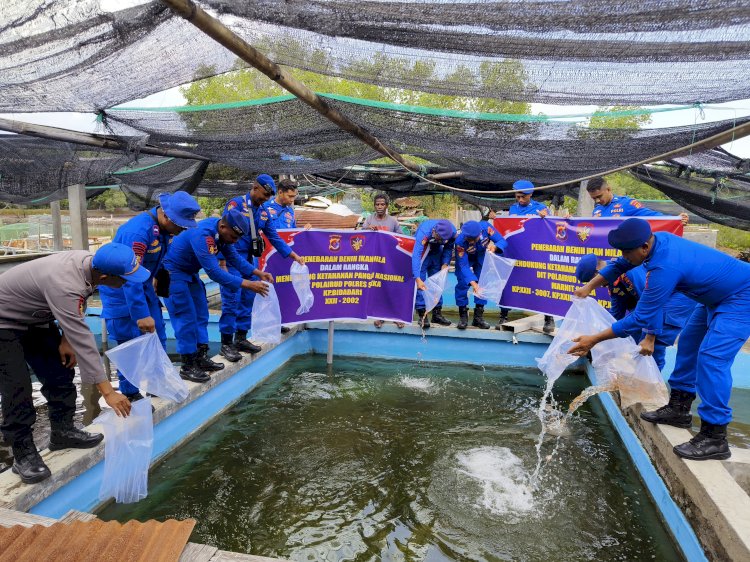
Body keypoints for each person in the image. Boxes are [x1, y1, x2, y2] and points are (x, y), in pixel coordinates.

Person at [569, 218, 750, 461]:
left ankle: (714, 436)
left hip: (740, 297)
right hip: (713, 296)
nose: (624, 256)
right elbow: (618, 265)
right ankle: (679, 408)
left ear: (644, 247)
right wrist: (588, 288)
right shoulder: (654, 242)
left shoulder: (662, 268)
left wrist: (594, 340)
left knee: (711, 358)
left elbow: (641, 317)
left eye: (627, 251)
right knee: (688, 344)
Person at [0, 243, 136, 483]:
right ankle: (23, 453)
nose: (128, 282)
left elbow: (77, 305)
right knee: (17, 386)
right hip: (4, 321)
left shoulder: (91, 266)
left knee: (60, 373)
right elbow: (86, 343)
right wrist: (108, 392)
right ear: (106, 276)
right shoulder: (65, 282)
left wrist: (65, 339)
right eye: (125, 279)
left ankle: (62, 432)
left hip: (35, 318)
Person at [100, 192, 200, 402]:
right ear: (166, 216)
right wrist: (140, 314)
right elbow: (128, 276)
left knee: (158, 336)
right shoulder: (138, 232)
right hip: (122, 293)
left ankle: (156, 384)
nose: (182, 229)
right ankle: (131, 393)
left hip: (144, 289)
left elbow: (155, 265)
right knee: (130, 345)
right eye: (180, 225)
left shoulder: (163, 231)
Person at [163, 209, 272, 382]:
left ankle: (201, 357)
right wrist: (248, 284)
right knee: (185, 318)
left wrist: (257, 272)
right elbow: (214, 272)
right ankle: (188, 365)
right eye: (234, 238)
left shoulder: (222, 232)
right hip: (171, 273)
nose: (235, 241)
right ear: (222, 227)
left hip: (190, 273)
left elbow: (234, 258)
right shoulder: (202, 235)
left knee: (201, 314)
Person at [218, 175, 305, 361]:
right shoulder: (236, 205)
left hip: (250, 260)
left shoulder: (264, 211)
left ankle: (241, 338)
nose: (265, 199)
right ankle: (226, 343)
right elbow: (222, 232)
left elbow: (273, 236)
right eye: (264, 194)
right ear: (254, 187)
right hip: (233, 258)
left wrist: (292, 255)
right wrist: (221, 262)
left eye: (268, 196)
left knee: (248, 298)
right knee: (231, 300)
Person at [574, 253, 695, 370]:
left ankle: (652, 384)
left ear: (598, 270)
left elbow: (653, 301)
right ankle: (642, 375)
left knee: (652, 344)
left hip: (675, 298)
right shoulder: (613, 283)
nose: (599, 285)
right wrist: (595, 342)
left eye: (593, 280)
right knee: (634, 335)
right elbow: (616, 315)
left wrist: (650, 337)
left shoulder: (630, 272)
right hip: (652, 302)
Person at [499, 180, 555, 334]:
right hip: (517, 254)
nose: (520, 200)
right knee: (509, 282)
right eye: (517, 197)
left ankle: (548, 319)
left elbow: (551, 228)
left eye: (523, 197)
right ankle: (503, 316)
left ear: (530, 195)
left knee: (543, 285)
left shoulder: (541, 208)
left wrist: (546, 218)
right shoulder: (513, 208)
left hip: (537, 255)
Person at [360, 193, 405, 328]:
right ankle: (380, 317)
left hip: (389, 262)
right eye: (377, 204)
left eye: (382, 204)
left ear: (386, 206)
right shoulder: (369, 219)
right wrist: (368, 229)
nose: (379, 207)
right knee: (377, 289)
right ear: (374, 206)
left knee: (392, 288)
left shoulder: (393, 221)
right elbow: (359, 235)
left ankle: (396, 317)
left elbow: (402, 238)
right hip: (374, 262)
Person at [454, 220, 508, 330]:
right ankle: (463, 316)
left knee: (483, 283)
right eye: (468, 240)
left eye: (473, 240)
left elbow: (502, 240)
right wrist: (474, 284)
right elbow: (464, 266)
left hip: (481, 258)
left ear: (479, 234)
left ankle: (478, 317)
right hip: (466, 260)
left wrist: (495, 247)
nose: (471, 242)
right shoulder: (460, 241)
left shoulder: (486, 228)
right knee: (462, 283)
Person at [586, 177, 689, 225]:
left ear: (608, 189)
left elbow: (652, 216)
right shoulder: (596, 210)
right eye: (594, 198)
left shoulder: (626, 204)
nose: (597, 200)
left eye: (599, 196)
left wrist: (676, 219)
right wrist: (571, 222)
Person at [412, 219, 456, 328]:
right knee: (421, 283)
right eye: (438, 238)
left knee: (437, 281)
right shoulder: (424, 231)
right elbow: (416, 255)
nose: (439, 240)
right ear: (434, 231)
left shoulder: (452, 233)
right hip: (423, 253)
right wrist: (417, 278)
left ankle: (437, 314)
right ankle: (422, 314)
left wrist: (445, 263)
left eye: (442, 239)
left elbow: (448, 248)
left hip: (437, 253)